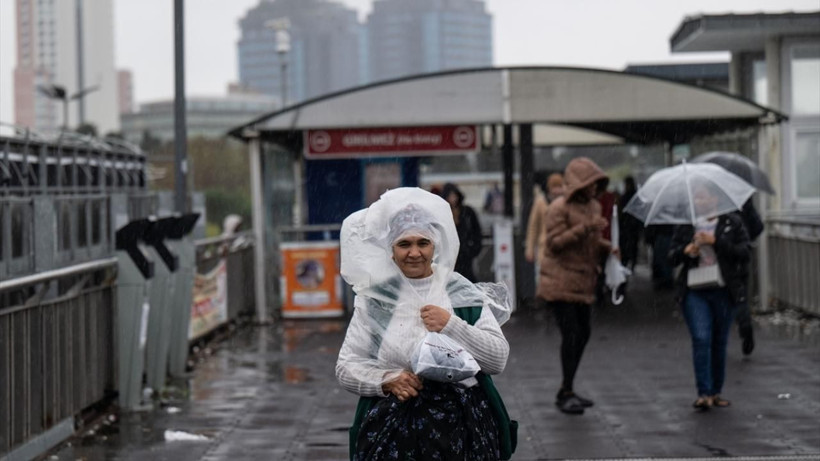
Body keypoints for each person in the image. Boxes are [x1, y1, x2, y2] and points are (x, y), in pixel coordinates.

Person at [336, 187, 517, 460]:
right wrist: (386, 381)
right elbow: (347, 366)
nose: (414, 253)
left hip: (462, 429)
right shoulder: (377, 300)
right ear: (391, 250)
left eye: (423, 243)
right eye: (404, 244)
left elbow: (497, 360)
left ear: (435, 246)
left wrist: (451, 325)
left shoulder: (459, 292)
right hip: (393, 430)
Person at [538, 157, 617, 415]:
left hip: (583, 281)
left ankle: (568, 388)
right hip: (560, 281)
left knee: (583, 334)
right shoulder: (559, 207)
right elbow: (554, 244)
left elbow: (591, 242)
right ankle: (566, 391)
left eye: (597, 184)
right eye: (590, 183)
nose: (594, 188)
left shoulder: (594, 206)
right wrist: (585, 228)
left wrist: (608, 247)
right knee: (571, 334)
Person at [669, 184, 750, 410]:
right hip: (695, 290)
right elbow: (672, 256)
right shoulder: (687, 225)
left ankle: (716, 391)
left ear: (715, 199)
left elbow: (744, 252)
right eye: (696, 198)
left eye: (703, 197)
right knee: (701, 338)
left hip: (723, 289)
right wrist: (686, 251)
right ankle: (703, 392)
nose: (699, 202)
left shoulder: (732, 223)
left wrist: (716, 242)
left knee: (719, 341)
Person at [736, 198, 764, 355]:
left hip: (721, 260)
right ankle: (745, 325)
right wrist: (746, 237)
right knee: (740, 296)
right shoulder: (743, 200)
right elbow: (758, 226)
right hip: (740, 259)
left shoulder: (715, 207)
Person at [442, 182, 483, 282]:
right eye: (450, 195)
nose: (453, 199)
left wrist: (473, 248)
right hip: (450, 256)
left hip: (466, 255)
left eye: (454, 195)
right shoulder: (443, 213)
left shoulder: (467, 212)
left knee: (468, 279)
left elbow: (477, 231)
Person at [618, 176, 643, 272]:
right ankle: (631, 263)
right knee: (633, 247)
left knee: (627, 246)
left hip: (627, 227)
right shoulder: (636, 197)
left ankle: (627, 263)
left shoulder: (625, 197)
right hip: (632, 227)